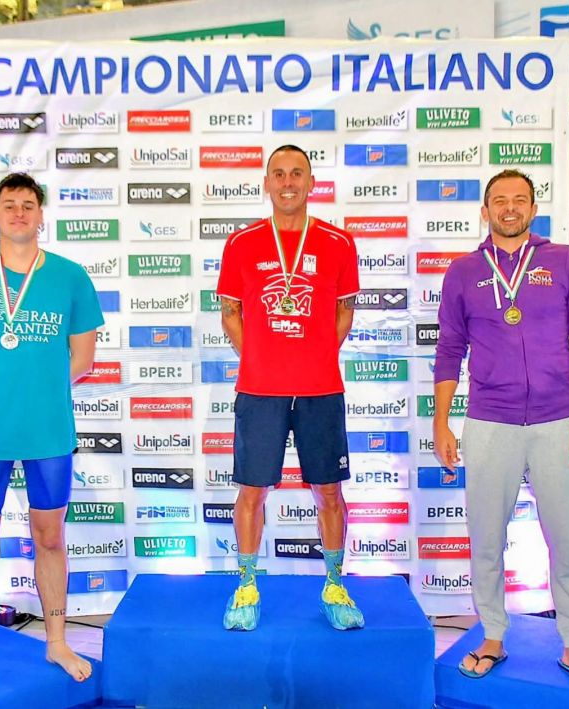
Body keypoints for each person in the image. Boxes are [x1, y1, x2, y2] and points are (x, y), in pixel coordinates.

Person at [432, 169, 569, 691]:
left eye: (519, 200)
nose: (509, 208)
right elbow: (449, 349)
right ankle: (492, 634)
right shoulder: (464, 271)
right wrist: (442, 421)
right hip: (490, 421)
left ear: (533, 209)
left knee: (565, 540)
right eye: (499, 200)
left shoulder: (565, 262)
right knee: (486, 541)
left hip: (560, 421)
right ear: (485, 210)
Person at [0, 172, 104, 696]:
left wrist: (38, 394)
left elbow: (83, 358)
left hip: (48, 431)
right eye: (9, 204)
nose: (19, 212)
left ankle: (57, 640)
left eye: (28, 204)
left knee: (50, 537)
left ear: (41, 214)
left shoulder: (71, 278)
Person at [216, 144, 364, 631]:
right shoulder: (241, 243)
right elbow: (231, 314)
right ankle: (246, 584)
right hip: (260, 388)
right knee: (251, 491)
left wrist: (315, 352)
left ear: (311, 182)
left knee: (329, 491)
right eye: (278, 174)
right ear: (266, 183)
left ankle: (335, 584)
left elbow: (344, 312)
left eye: (296, 173)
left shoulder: (338, 242)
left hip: (321, 387)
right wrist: (262, 356)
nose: (287, 182)